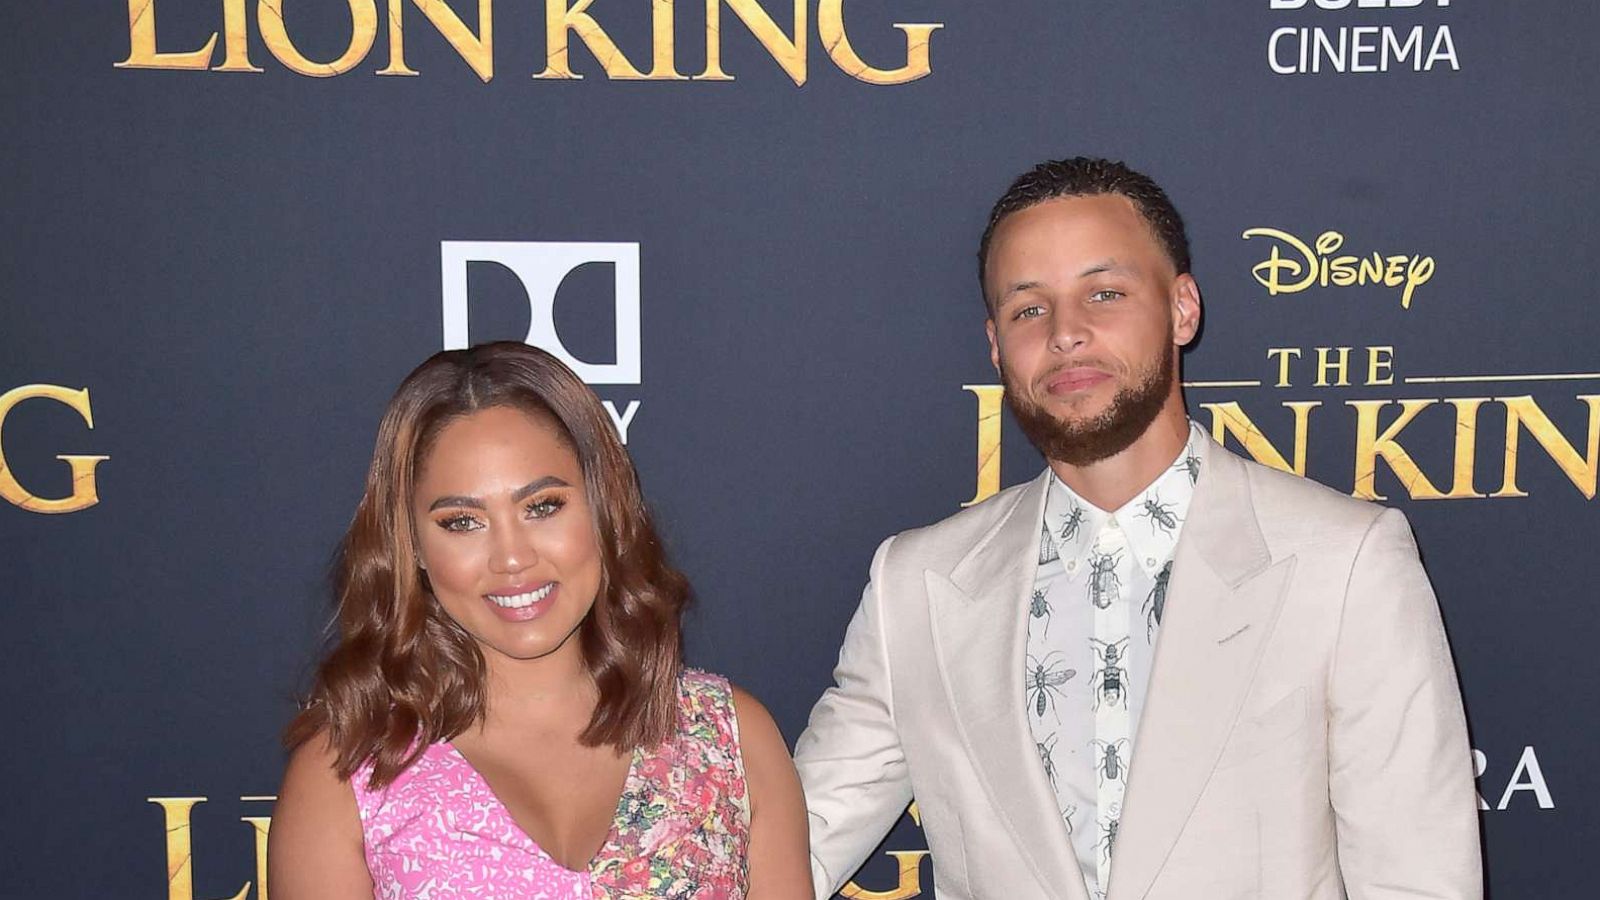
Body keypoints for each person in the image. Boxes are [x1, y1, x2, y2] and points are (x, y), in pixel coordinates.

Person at [794, 158, 1481, 900]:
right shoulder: (916, 587)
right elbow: (782, 854)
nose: (1066, 334)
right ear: (995, 346)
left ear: (1183, 309)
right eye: (1030, 309)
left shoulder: (1344, 564)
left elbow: (1419, 881)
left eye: (1106, 293)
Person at [268, 342, 811, 899]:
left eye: (543, 507)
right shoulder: (350, 771)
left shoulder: (729, 739)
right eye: (462, 522)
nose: (512, 558)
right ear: (414, 548)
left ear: (604, 508)